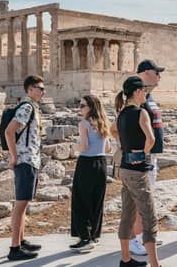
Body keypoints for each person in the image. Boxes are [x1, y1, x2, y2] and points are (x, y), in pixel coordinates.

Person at [111, 76, 161, 267]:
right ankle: (156, 264)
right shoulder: (141, 113)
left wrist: (125, 146)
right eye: (145, 92)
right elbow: (151, 139)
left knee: (127, 214)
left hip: (124, 168)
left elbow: (112, 130)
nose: (146, 95)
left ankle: (125, 260)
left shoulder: (122, 113)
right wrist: (143, 153)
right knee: (149, 216)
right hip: (138, 171)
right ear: (138, 92)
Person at [127, 59, 165, 255]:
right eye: (156, 71)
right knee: (140, 198)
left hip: (152, 155)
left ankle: (145, 236)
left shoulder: (149, 96)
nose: (160, 75)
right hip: (143, 156)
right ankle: (136, 239)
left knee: (147, 198)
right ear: (146, 72)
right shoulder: (134, 96)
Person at [5, 75, 45, 261]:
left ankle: (20, 241)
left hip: (31, 159)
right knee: (20, 204)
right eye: (39, 88)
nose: (42, 91)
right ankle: (14, 248)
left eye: (43, 88)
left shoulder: (33, 107)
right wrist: (14, 157)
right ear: (29, 89)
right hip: (25, 160)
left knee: (24, 203)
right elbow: (9, 131)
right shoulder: (27, 107)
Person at [69, 95, 111, 252]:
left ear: (90, 107)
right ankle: (94, 235)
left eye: (82, 105)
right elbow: (108, 149)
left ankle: (85, 238)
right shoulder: (103, 123)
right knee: (96, 201)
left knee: (81, 200)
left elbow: (84, 146)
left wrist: (73, 148)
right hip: (101, 164)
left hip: (87, 164)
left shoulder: (84, 123)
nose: (80, 108)